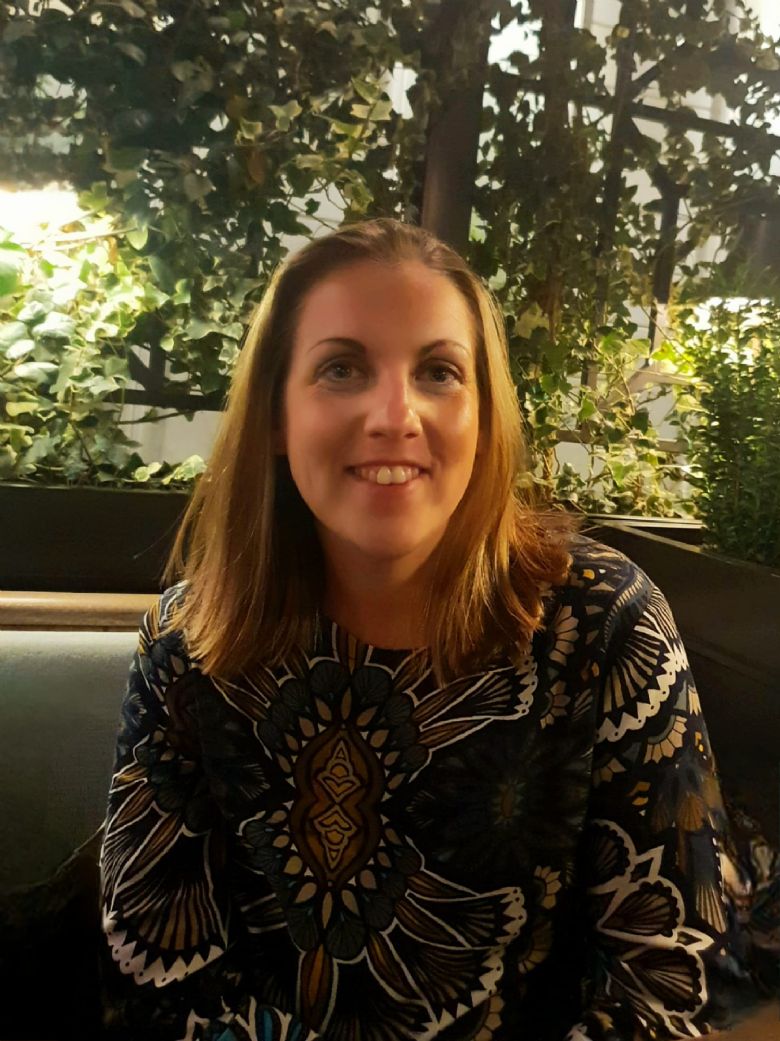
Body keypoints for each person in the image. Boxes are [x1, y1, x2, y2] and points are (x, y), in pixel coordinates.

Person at [100, 219, 747, 1041]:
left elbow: (676, 976)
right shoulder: (185, 641)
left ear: (484, 417)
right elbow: (154, 979)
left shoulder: (603, 620)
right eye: (341, 368)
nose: (395, 415)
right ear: (274, 416)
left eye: (439, 371)